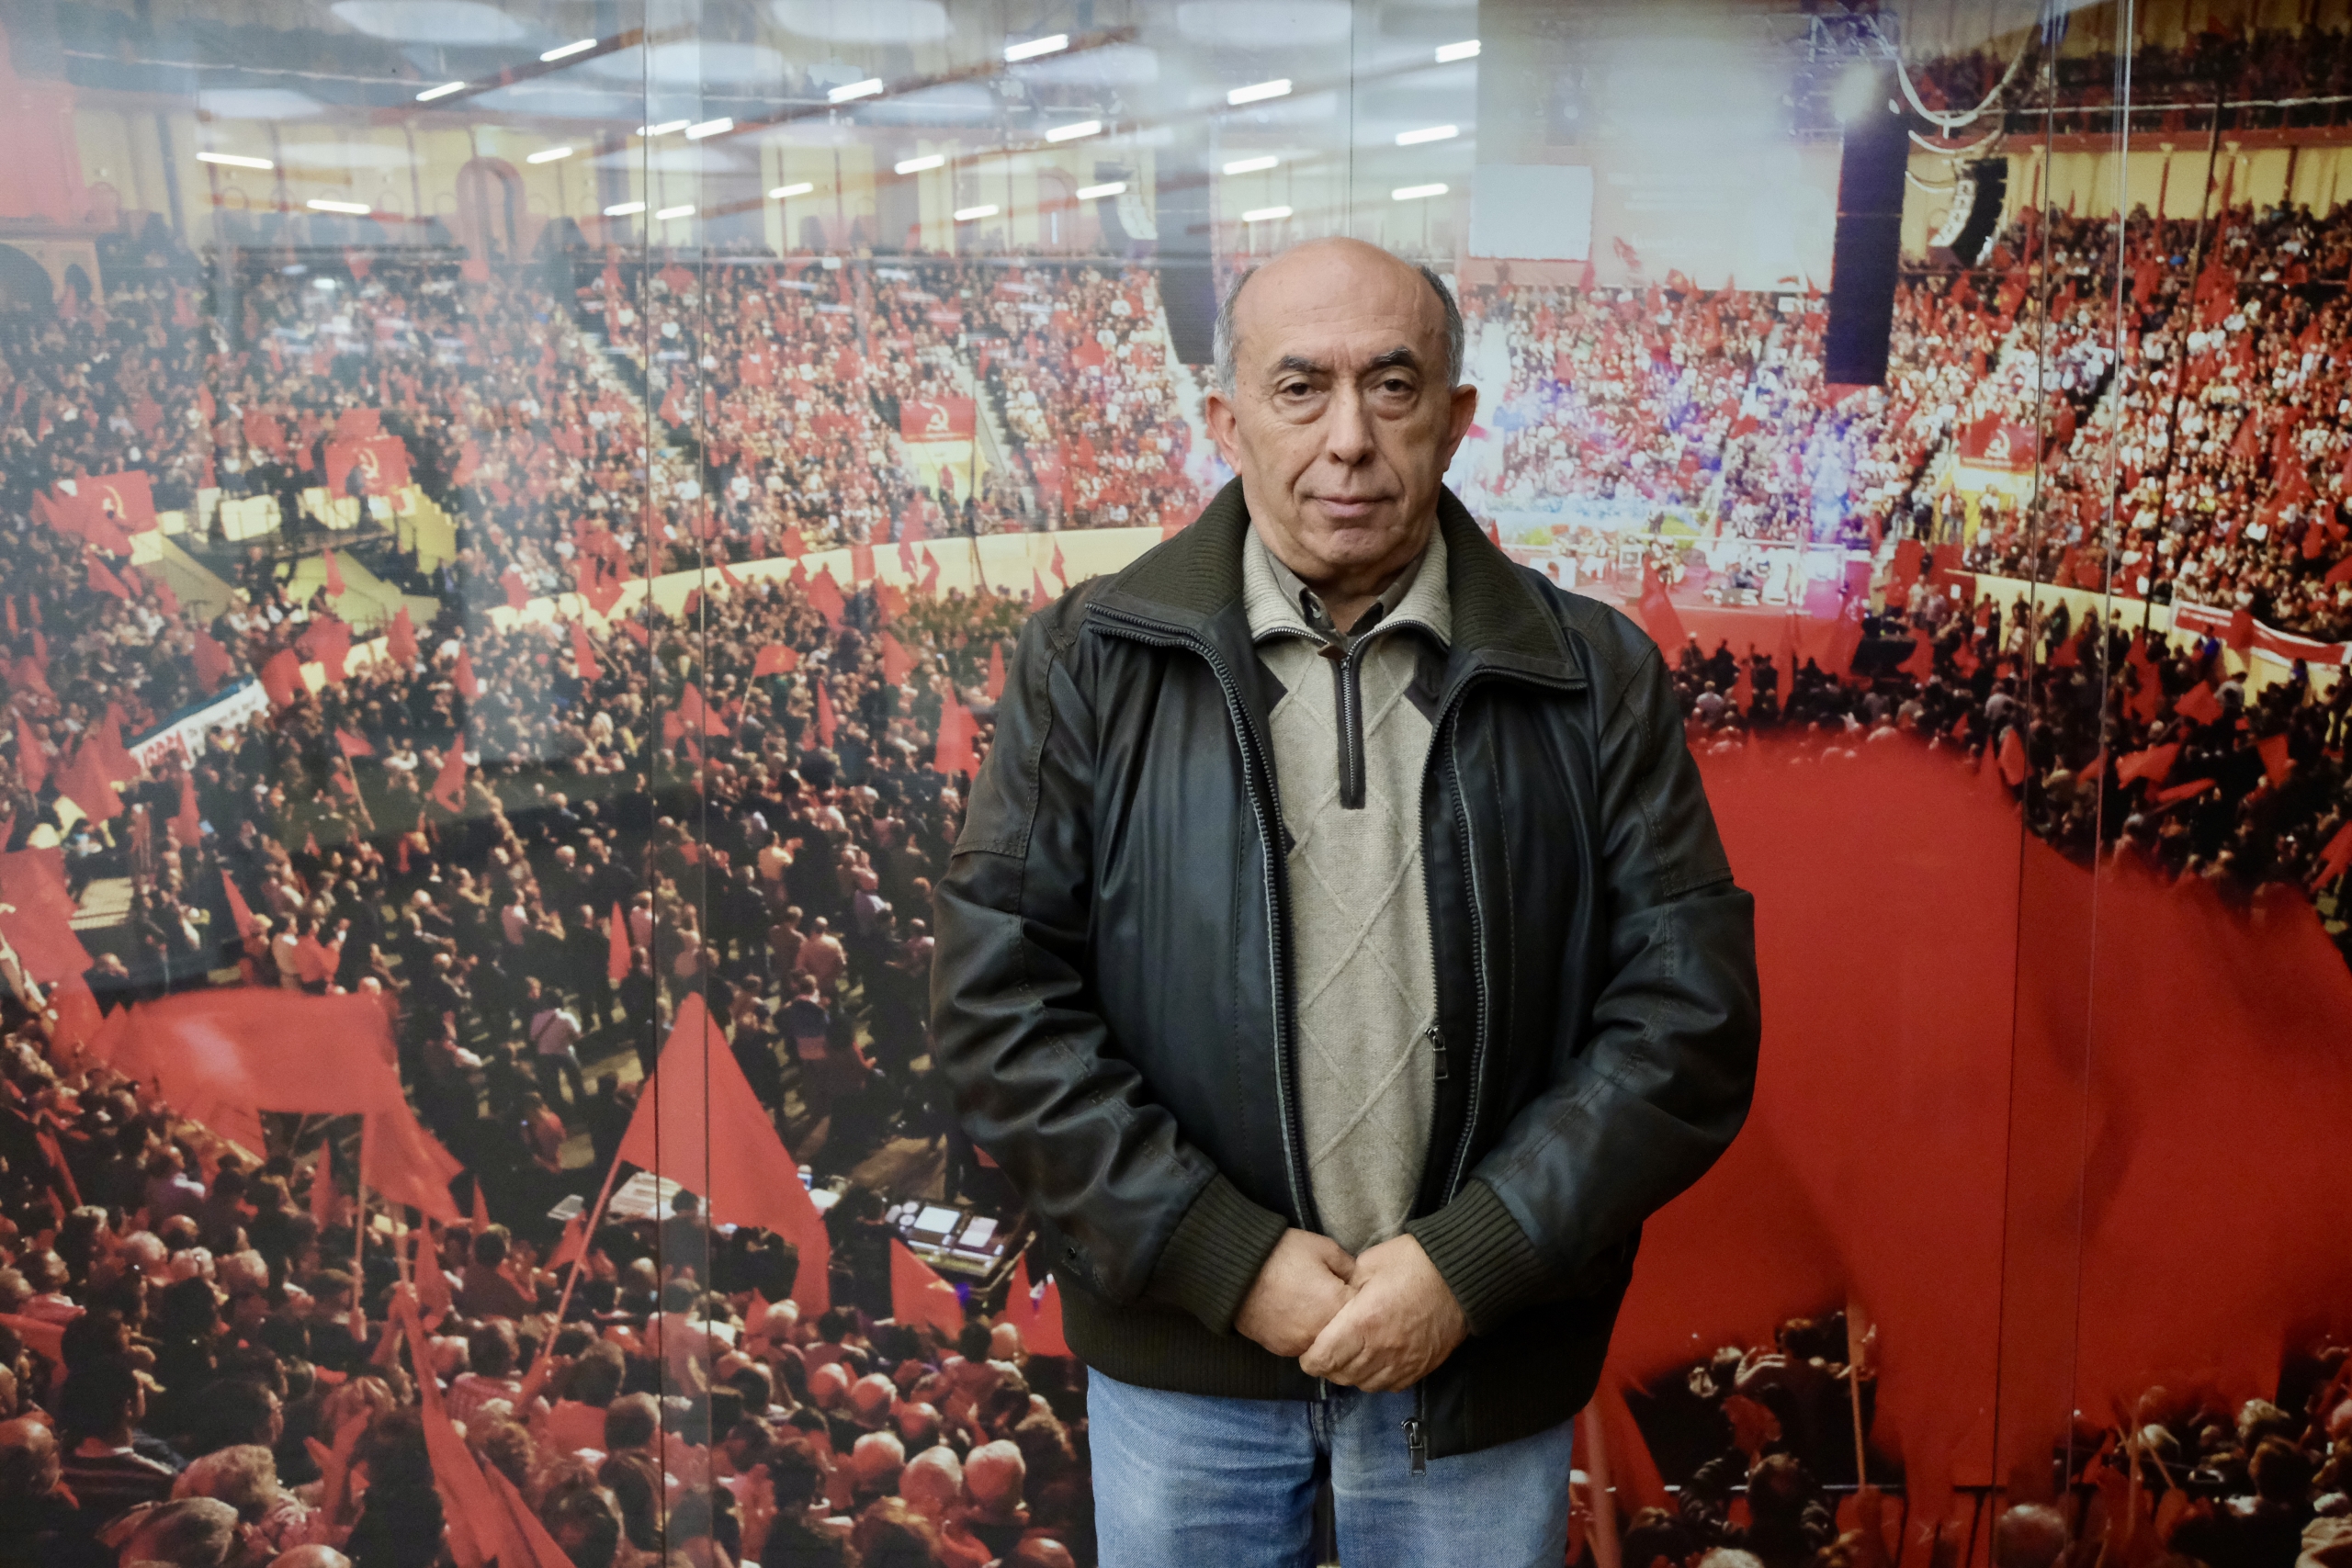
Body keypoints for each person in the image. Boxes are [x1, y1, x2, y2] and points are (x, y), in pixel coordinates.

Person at [932, 237, 1761, 1567]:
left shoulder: (1592, 673)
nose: (1349, 439)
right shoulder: (1087, 663)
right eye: (1299, 387)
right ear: (1227, 421)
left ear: (1456, 416)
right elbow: (998, 1007)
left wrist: (1472, 1263)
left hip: (1476, 1376)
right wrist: (1224, 1259)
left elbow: (1688, 1020)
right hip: (1186, 1376)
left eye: (1391, 385)